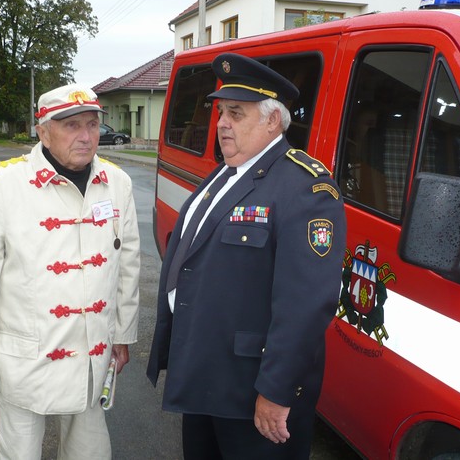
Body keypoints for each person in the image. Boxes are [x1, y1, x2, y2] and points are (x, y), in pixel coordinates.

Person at [147, 53, 346, 459]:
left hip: (252, 390)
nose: (221, 123)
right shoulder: (226, 171)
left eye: (235, 113)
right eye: (221, 112)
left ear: (272, 121)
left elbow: (305, 305)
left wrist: (275, 391)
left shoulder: (304, 188)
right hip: (207, 375)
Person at [0, 83, 140, 460]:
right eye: (71, 126)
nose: (86, 136)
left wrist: (122, 334)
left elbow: (127, 265)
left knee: (88, 452)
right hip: (23, 360)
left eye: (92, 125)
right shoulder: (4, 184)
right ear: (42, 131)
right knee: (16, 453)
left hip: (91, 355)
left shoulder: (116, 183)